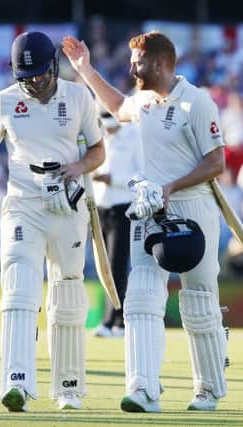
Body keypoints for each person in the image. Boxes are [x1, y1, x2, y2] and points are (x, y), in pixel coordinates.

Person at [63, 32, 228, 412]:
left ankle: (208, 389)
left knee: (199, 303)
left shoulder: (196, 103)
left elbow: (216, 162)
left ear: (158, 63)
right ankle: (143, 389)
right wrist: (85, 69)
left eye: (136, 61)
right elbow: (119, 106)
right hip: (150, 207)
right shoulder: (145, 102)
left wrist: (172, 186)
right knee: (139, 298)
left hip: (194, 208)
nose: (131, 67)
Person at [0, 31, 105, 412]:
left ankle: (69, 388)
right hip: (23, 203)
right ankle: (16, 382)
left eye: (40, 75)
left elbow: (98, 150)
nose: (33, 83)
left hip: (66, 206)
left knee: (68, 292)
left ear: (54, 67)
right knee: (18, 288)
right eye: (25, 77)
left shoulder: (78, 97)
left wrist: (76, 167)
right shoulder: (5, 101)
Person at [91, 111, 143, 338]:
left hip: (123, 206)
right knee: (104, 266)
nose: (109, 129)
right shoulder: (101, 136)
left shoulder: (134, 137)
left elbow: (141, 175)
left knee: (117, 266)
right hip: (101, 207)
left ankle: (118, 321)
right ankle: (111, 319)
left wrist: (115, 180)